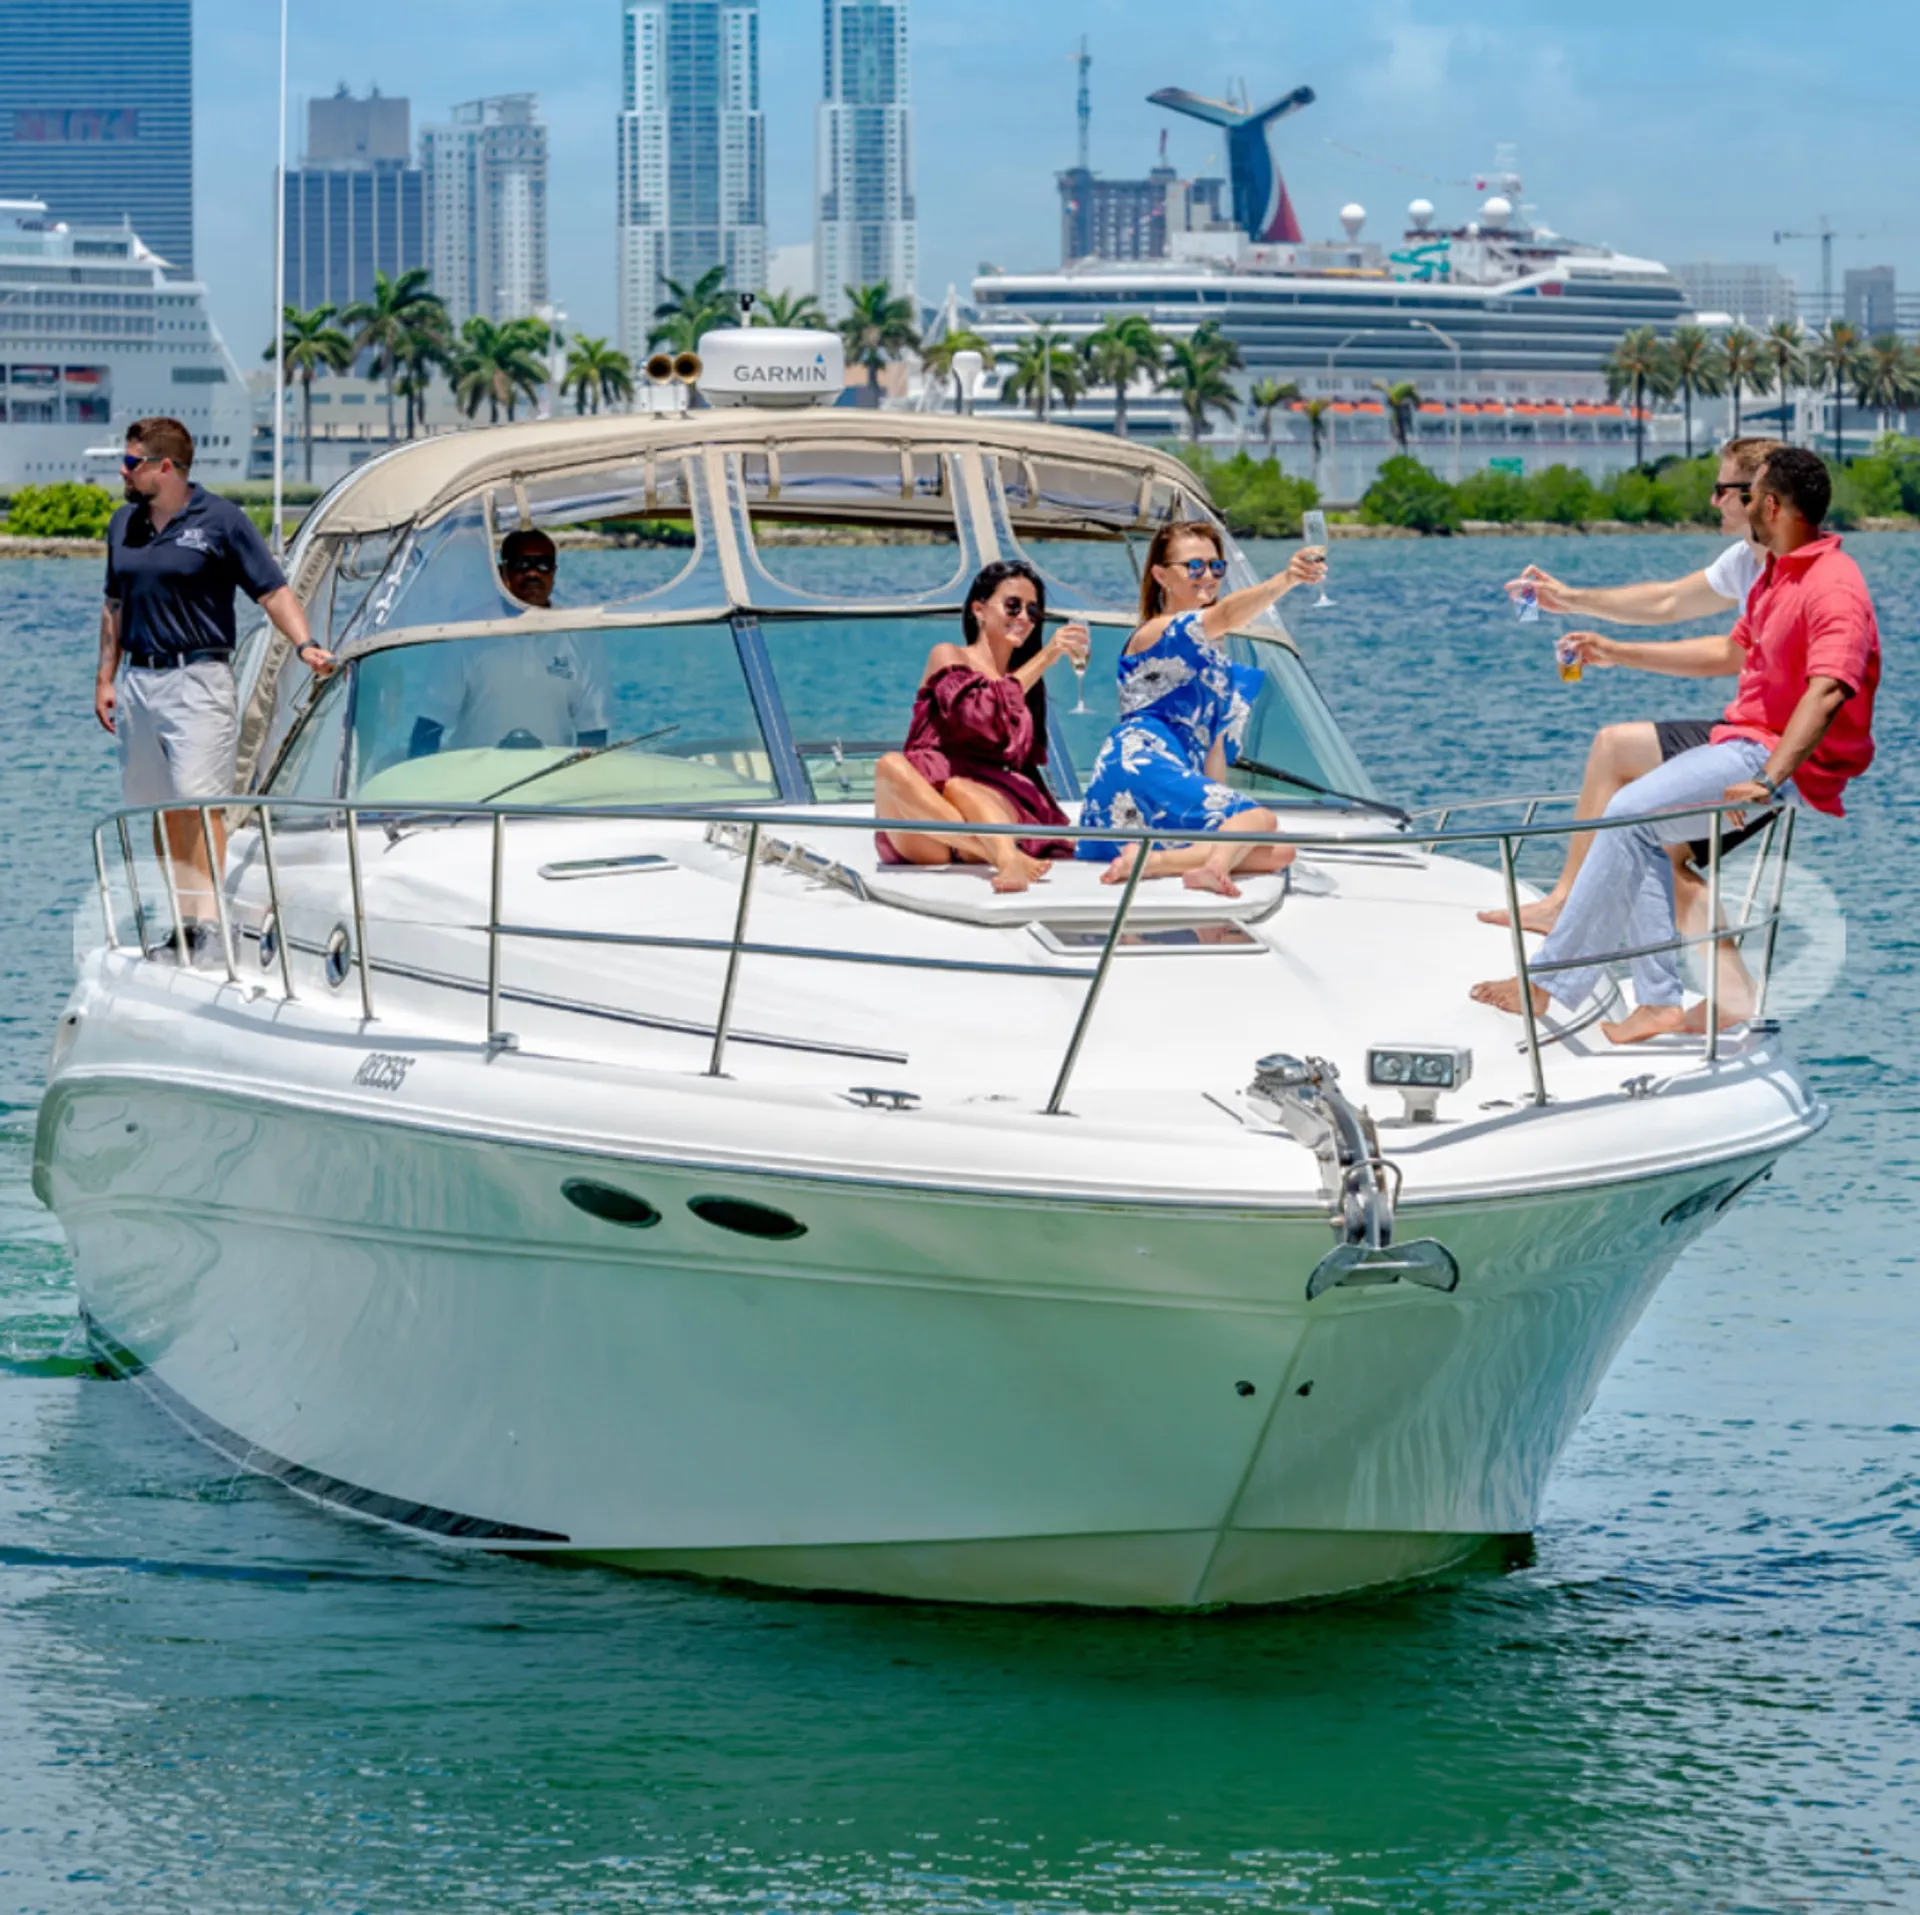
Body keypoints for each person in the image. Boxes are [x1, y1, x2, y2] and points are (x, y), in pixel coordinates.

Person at [1473, 447, 1879, 1043]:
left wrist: (1767, 778)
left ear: (1767, 503)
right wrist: (1613, 649)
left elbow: (1827, 692)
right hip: (1738, 735)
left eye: (1737, 492)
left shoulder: (1832, 586)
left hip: (1763, 752)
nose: (1722, 502)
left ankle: (1550, 982)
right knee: (1637, 815)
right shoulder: (1771, 572)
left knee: (1630, 814)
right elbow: (1727, 649)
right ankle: (1661, 999)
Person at [1484, 436, 1785, 937]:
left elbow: (1728, 656)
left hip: (1771, 750)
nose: (1712, 500)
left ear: (1756, 493)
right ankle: (1728, 1002)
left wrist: (1617, 651)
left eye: (1722, 488)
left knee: (1614, 748)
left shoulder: (1785, 569)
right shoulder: (1744, 560)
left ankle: (1564, 903)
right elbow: (1666, 602)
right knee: (1666, 858)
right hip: (1751, 734)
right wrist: (1570, 599)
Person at [95, 416, 332, 957]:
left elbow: (271, 590)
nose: (123, 471)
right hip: (137, 681)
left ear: (165, 467)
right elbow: (113, 605)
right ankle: (182, 922)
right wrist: (105, 679)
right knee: (160, 808)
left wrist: (304, 643)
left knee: (200, 805)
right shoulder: (121, 524)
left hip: (199, 680)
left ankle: (208, 923)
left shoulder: (222, 520)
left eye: (132, 462)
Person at [1074, 521, 1324, 898]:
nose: (1207, 575)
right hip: (1141, 765)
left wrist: (1224, 817)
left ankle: (1151, 862)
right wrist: (1287, 579)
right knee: (1262, 818)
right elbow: (1225, 616)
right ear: (1161, 575)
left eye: (1216, 567)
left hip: (1171, 779)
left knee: (1278, 850)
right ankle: (1211, 867)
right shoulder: (1158, 630)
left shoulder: (1213, 656)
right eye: (1194, 567)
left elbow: (1215, 749)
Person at [872, 560, 1090, 894]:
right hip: (930, 818)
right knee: (889, 766)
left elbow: (1023, 763)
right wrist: (1047, 657)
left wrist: (1049, 824)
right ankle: (1002, 854)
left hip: (988, 806)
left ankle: (1003, 853)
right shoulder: (948, 656)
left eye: (1033, 611)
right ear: (979, 609)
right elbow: (978, 716)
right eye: (1013, 606)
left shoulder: (1026, 682)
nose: (1024, 618)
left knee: (962, 787)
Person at [407, 530, 609, 758]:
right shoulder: (465, 634)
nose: (533, 573)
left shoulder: (581, 636)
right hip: (475, 781)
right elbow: (430, 724)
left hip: (549, 779)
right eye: (522, 564)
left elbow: (593, 730)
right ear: (503, 571)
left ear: (554, 572)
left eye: (543, 565)